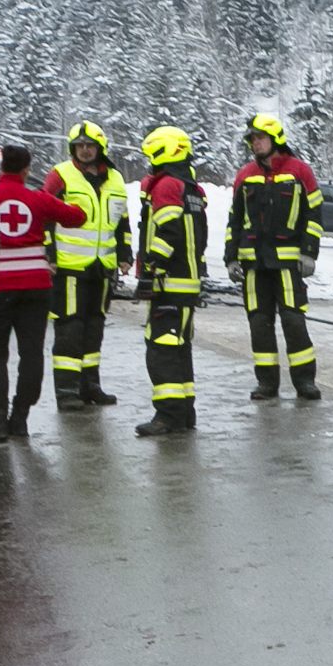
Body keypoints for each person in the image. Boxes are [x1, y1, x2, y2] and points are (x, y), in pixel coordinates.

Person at [0, 143, 82, 442]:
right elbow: (76, 217)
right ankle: (20, 417)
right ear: (26, 169)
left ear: (1, 168)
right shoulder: (38, 199)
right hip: (36, 287)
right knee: (31, 353)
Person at [228, 114, 324, 401]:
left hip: (287, 264)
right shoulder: (245, 175)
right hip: (254, 265)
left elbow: (314, 217)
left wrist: (308, 253)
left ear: (275, 139)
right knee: (259, 323)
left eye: (260, 138)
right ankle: (267, 383)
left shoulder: (300, 172)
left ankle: (305, 381)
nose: (255, 143)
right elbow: (235, 220)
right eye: (252, 139)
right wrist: (231, 258)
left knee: (293, 321)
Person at [44, 120, 129, 407]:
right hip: (69, 268)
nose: (84, 150)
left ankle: (90, 385)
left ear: (100, 148)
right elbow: (45, 215)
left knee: (95, 327)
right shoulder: (61, 175)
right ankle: (66, 392)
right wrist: (49, 253)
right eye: (79, 146)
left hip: (102, 267)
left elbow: (122, 222)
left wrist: (126, 255)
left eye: (89, 146)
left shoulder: (115, 178)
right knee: (70, 329)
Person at [135, 126, 207, 436]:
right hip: (187, 284)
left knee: (161, 349)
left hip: (169, 284)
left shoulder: (166, 186)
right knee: (179, 348)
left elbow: (168, 232)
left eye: (151, 154)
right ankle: (184, 413)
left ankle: (168, 415)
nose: (149, 161)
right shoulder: (192, 189)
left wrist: (152, 268)